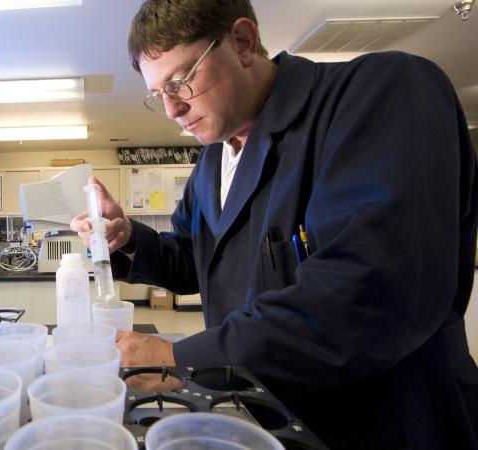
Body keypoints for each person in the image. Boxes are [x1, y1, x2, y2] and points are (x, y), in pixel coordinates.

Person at [71, 0, 478, 448]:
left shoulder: (382, 93)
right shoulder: (212, 162)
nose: (172, 110)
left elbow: (368, 291)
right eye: (158, 95)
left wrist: (177, 357)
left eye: (181, 82)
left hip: (385, 425)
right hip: (271, 415)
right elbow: (194, 259)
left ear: (242, 42)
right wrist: (128, 238)